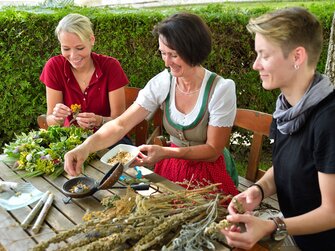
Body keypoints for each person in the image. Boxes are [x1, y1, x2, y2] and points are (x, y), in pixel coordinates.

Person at [64, 12, 239, 196]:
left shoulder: (220, 89)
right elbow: (121, 124)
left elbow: (213, 150)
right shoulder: (164, 82)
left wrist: (166, 152)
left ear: (193, 50)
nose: (166, 62)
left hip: (210, 171)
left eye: (173, 54)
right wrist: (85, 148)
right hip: (172, 165)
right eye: (163, 53)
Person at [220, 7, 335, 251]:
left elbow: (331, 212)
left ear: (297, 56)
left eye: (264, 55)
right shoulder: (287, 109)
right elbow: (286, 164)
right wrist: (258, 190)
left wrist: (273, 226)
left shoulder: (328, 120)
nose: (255, 65)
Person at [40, 13, 132, 145]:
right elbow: (50, 120)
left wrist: (99, 121)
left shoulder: (111, 67)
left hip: (108, 138)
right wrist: (57, 118)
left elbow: (120, 120)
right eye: (66, 49)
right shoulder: (54, 67)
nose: (73, 56)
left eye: (80, 48)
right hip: (71, 141)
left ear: (92, 40)